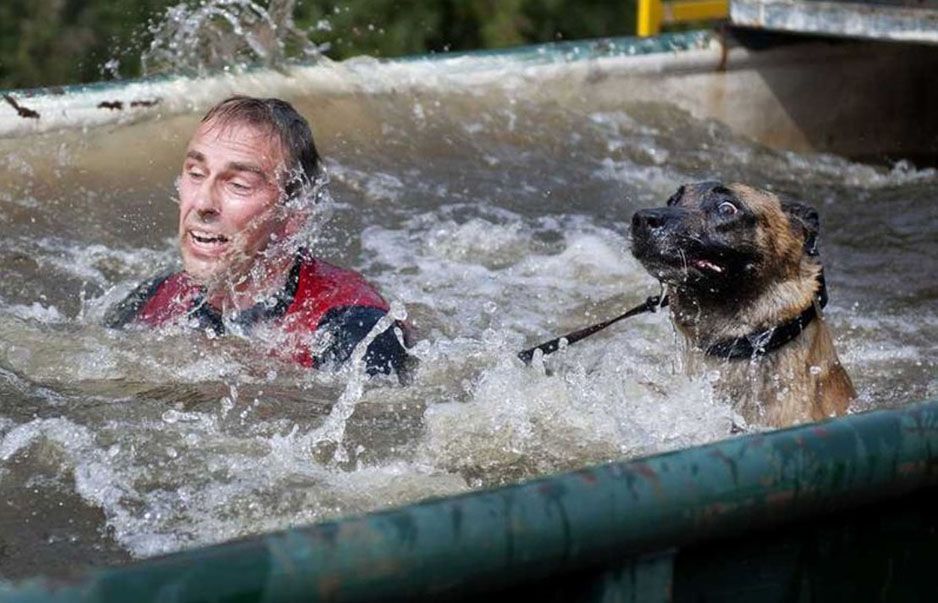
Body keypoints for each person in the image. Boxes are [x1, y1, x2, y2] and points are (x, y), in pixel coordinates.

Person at [105, 95, 411, 378]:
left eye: (238, 184)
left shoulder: (354, 331)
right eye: (196, 174)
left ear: (295, 213)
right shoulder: (157, 299)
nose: (202, 204)